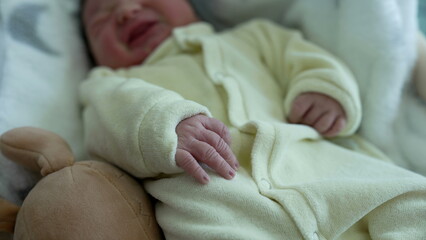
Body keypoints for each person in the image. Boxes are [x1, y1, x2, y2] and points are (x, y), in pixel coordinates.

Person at [80, 0, 426, 239]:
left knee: (410, 200)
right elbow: (107, 119)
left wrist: (324, 92)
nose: (125, 10)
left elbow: (308, 61)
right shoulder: (110, 83)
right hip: (221, 195)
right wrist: (166, 127)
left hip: (322, 167)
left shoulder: (253, 36)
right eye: (101, 18)